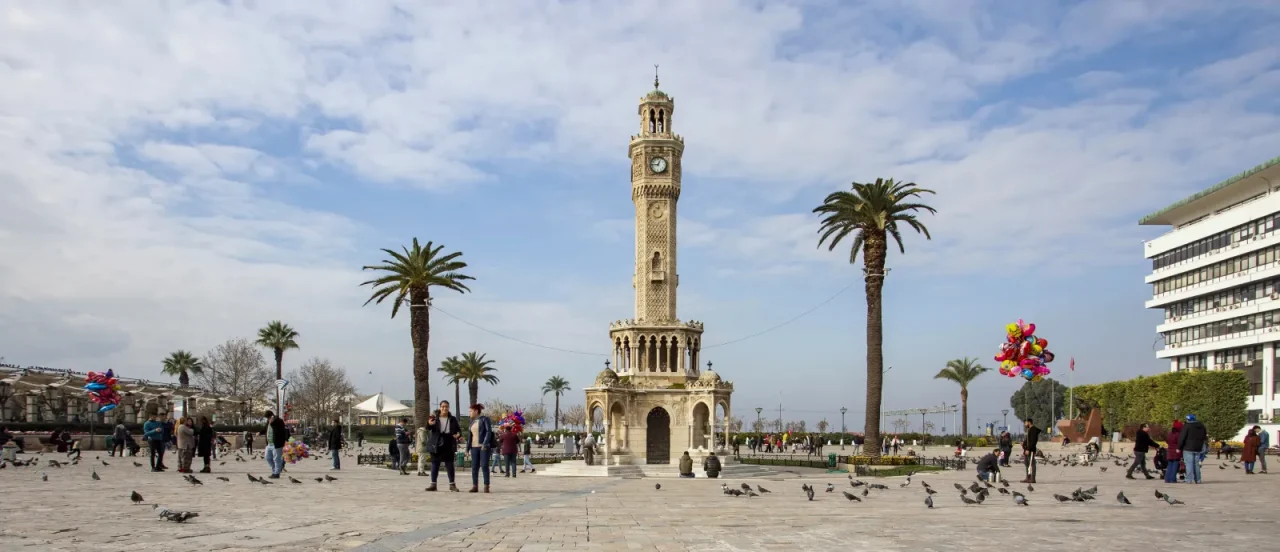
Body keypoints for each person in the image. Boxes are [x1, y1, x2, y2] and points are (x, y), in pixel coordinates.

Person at [426, 400, 462, 492]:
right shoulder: (435, 418)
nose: (444, 408)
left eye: (446, 406)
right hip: (436, 443)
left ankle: (452, 485)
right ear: (440, 407)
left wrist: (458, 435)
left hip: (449, 442)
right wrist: (429, 423)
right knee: (435, 464)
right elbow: (428, 427)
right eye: (443, 406)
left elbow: (458, 431)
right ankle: (433, 484)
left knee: (449, 464)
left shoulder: (452, 419)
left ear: (448, 408)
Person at [467, 404, 493, 493]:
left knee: (484, 465)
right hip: (474, 447)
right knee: (474, 467)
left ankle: (486, 486)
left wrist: (485, 443)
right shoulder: (471, 422)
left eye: (471, 411)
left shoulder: (485, 419)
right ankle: (475, 486)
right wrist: (467, 448)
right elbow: (469, 437)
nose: (469, 413)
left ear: (476, 411)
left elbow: (488, 432)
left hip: (483, 447)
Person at [1177, 413, 1208, 484]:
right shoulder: (1201, 426)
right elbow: (1204, 436)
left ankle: (1189, 479)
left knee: (1189, 464)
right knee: (1196, 464)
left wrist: (1179, 447)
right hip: (1198, 448)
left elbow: (1182, 437)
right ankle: (1198, 479)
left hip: (1188, 448)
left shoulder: (1187, 426)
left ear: (1188, 419)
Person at [262, 410, 288, 479]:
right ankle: (275, 470)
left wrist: (272, 423)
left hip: (277, 444)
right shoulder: (269, 422)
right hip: (269, 444)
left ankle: (276, 473)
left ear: (272, 416)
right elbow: (266, 429)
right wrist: (260, 432)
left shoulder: (279, 421)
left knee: (277, 459)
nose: (268, 419)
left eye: (268, 417)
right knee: (268, 457)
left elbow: (280, 431)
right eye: (267, 418)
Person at [1021, 418, 1040, 484]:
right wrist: (1024, 444)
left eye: (1025, 423)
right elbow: (1028, 440)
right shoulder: (1029, 430)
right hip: (1026, 450)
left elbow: (1033, 441)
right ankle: (1028, 477)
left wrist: (1028, 449)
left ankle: (1033, 478)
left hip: (1030, 450)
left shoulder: (1033, 430)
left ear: (1029, 422)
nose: (1024, 424)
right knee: (1027, 463)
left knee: (1032, 464)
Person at [1164, 420, 1183, 484]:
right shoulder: (1178, 434)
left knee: (1169, 465)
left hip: (1170, 451)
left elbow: (1167, 441)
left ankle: (1167, 479)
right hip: (1176, 451)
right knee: (1175, 465)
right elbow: (1180, 443)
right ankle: (1173, 479)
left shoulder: (1169, 433)